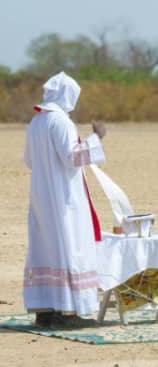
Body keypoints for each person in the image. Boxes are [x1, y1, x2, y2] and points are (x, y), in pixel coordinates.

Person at [23, 72, 107, 327]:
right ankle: (67, 310)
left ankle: (45, 309)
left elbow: (28, 161)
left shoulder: (36, 122)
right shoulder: (61, 121)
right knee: (68, 247)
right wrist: (96, 139)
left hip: (41, 196)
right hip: (63, 199)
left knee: (45, 248)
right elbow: (72, 158)